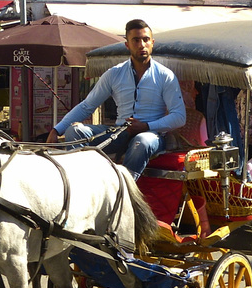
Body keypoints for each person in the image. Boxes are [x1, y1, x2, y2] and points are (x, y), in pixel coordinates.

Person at [46, 19, 186, 180]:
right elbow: (87, 106)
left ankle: (124, 188)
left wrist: (146, 125)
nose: (142, 45)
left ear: (152, 43)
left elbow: (179, 117)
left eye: (146, 40)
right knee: (75, 131)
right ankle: (83, 180)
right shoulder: (114, 74)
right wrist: (57, 129)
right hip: (119, 133)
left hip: (151, 135)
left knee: (142, 141)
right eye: (136, 40)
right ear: (127, 45)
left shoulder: (165, 76)